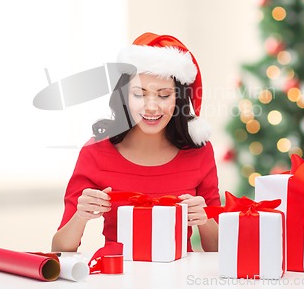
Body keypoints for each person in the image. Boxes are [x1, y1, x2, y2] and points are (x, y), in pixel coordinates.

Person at [52, 32, 220, 253]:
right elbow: (59, 248)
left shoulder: (199, 152)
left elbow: (219, 250)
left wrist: (204, 219)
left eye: (163, 95)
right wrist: (80, 216)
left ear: (178, 98)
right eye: (139, 94)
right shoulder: (95, 151)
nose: (151, 107)